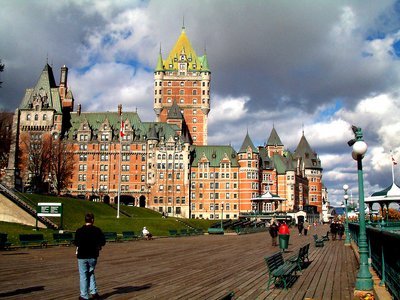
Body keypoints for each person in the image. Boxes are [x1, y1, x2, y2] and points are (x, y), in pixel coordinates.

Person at [74, 213, 106, 300]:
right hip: (93, 255)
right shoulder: (97, 230)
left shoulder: (79, 230)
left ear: (85, 220)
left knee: (83, 275)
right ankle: (94, 292)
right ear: (92, 220)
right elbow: (103, 242)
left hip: (82, 255)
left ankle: (84, 295)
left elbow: (76, 243)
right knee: (90, 272)